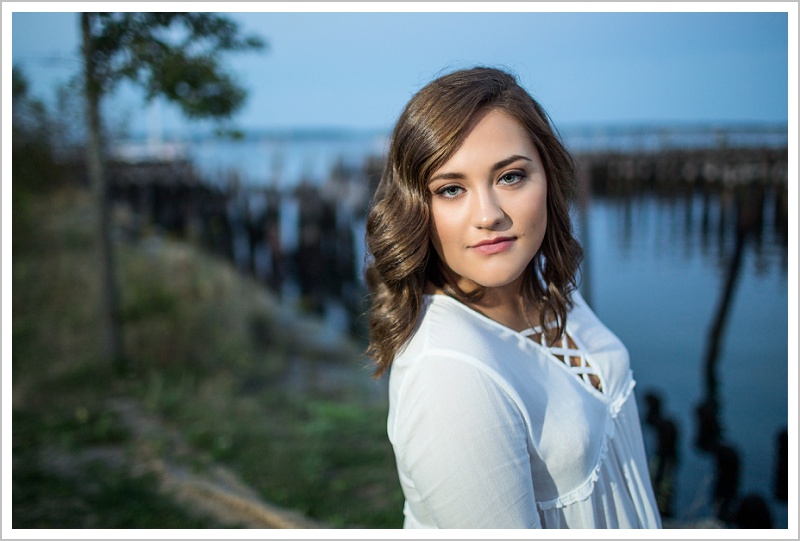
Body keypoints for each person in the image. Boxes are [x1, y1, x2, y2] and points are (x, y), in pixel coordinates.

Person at [364, 66, 662, 529]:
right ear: (417, 208)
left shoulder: (543, 286)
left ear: (547, 175)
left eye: (510, 177)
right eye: (451, 189)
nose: (489, 215)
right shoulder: (449, 377)